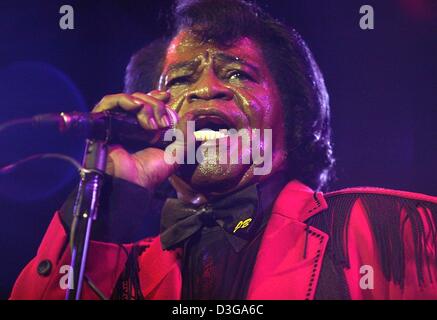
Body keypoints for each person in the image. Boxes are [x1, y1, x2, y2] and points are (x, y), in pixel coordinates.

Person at [10, 0, 437, 300]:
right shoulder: (115, 272)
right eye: (177, 81)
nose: (206, 89)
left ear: (295, 117)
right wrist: (103, 211)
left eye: (237, 73)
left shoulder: (390, 233)